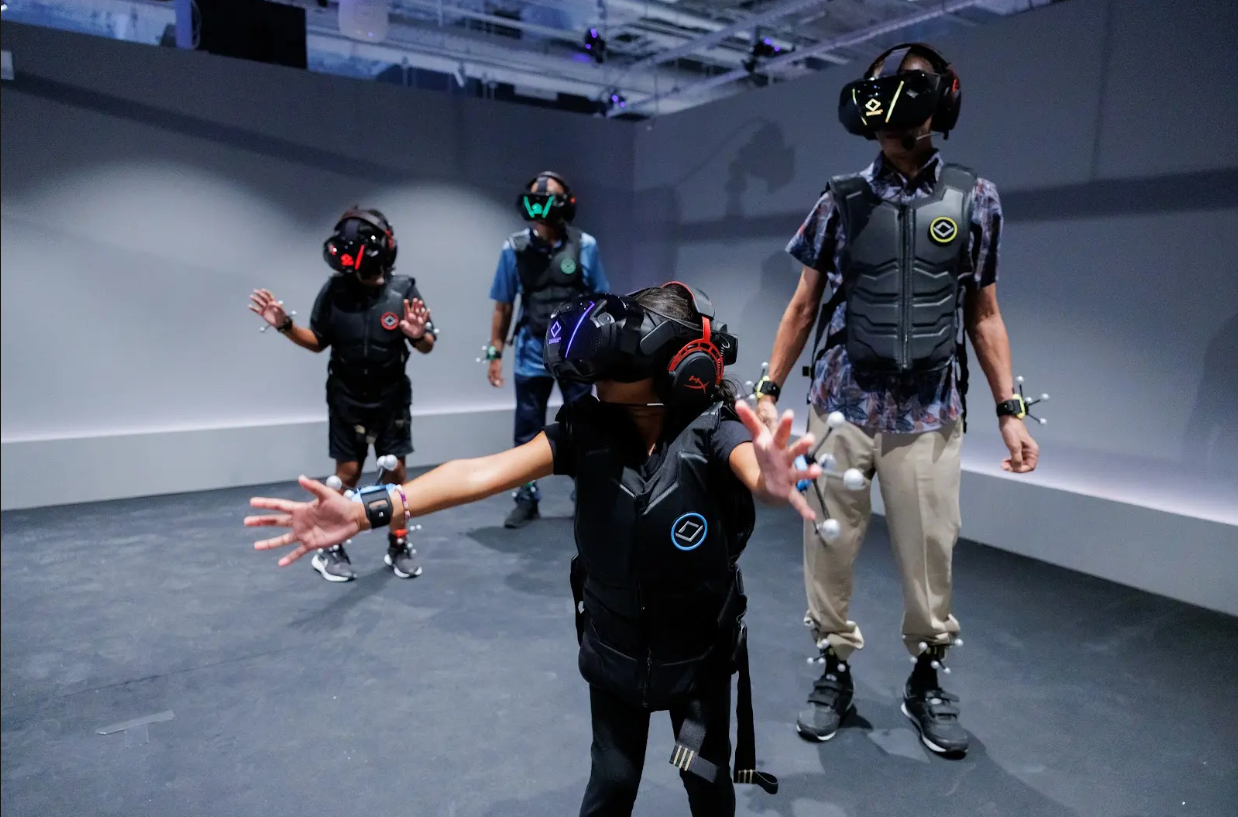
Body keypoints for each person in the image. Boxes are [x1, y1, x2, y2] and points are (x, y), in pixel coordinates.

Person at [247, 283, 819, 816]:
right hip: (614, 652)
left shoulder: (716, 429)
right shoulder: (584, 428)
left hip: (696, 662)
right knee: (614, 781)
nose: (596, 384)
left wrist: (774, 480)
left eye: (613, 367)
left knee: (703, 777)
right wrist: (366, 508)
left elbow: (761, 480)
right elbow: (480, 473)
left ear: (677, 368)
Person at [752, 43, 1039, 756]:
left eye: (904, 90)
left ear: (940, 102)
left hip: (929, 413)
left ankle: (926, 673)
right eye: (880, 91)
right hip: (842, 405)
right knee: (829, 546)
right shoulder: (840, 198)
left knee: (930, 553)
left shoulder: (975, 199)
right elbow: (802, 306)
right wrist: (765, 389)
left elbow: (984, 314)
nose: (887, 105)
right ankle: (834, 667)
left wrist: (1012, 411)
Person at [249, 207, 436, 583]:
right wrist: (285, 325)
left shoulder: (404, 290)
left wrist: (416, 334)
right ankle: (331, 545)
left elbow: (427, 344)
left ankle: (398, 542)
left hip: (392, 397)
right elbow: (318, 342)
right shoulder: (334, 291)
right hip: (347, 397)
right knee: (347, 473)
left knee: (396, 472)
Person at [485, 171, 611, 529]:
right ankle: (526, 497)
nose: (542, 202)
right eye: (536, 197)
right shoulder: (514, 248)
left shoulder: (584, 244)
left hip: (578, 352)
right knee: (527, 430)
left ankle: (585, 494)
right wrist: (495, 353)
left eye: (550, 196)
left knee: (583, 424)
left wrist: (604, 353)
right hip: (531, 352)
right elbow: (503, 306)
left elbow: (601, 299)